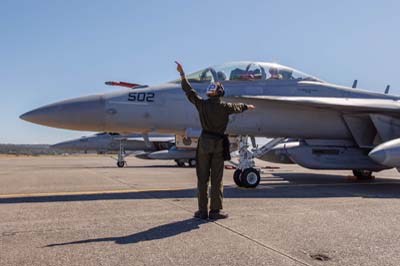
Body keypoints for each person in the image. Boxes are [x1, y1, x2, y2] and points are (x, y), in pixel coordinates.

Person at [175, 61, 255, 220]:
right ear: (220, 93)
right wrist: (247, 106)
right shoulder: (225, 107)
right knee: (217, 178)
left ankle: (202, 211)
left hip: (204, 142)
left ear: (210, 93)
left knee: (202, 178)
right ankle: (215, 211)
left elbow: (189, 92)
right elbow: (237, 107)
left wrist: (182, 75)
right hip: (218, 143)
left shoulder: (202, 105)